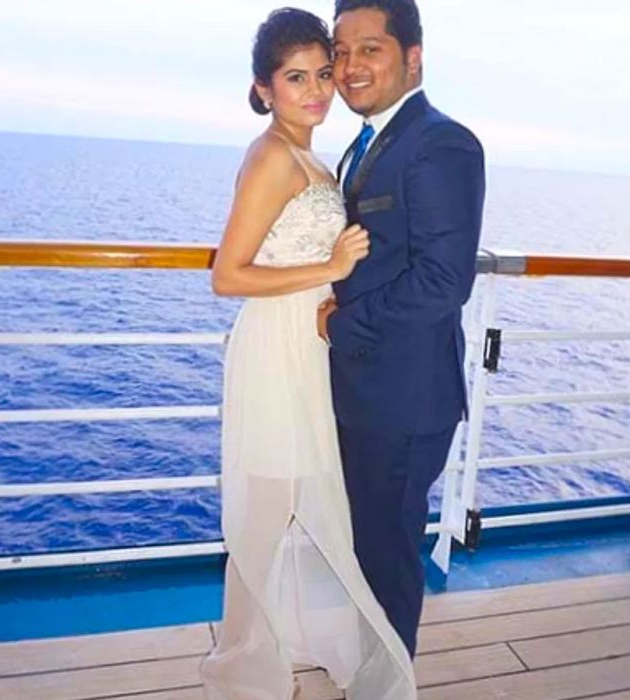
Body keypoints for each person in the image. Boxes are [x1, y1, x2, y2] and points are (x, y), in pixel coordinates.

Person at [200, 8, 417, 700]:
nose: (318, 89)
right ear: (264, 88)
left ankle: (275, 659)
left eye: (323, 73)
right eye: (297, 78)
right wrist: (324, 265)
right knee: (264, 517)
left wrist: (328, 287)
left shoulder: (310, 156)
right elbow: (228, 276)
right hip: (274, 352)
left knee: (308, 508)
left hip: (305, 347)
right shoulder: (270, 156)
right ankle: (243, 675)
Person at [317, 0, 486, 658]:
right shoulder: (366, 144)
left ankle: (389, 683)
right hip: (364, 391)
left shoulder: (441, 143)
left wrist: (342, 325)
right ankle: (373, 675)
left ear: (413, 58)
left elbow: (445, 281)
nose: (350, 66)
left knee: (387, 560)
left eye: (370, 49)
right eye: (341, 50)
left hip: (403, 399)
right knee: (365, 549)